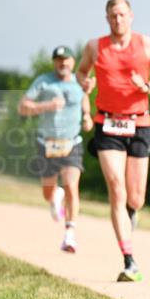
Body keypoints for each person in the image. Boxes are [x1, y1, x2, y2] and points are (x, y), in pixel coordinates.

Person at [77, 0, 150, 281]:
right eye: (112, 16)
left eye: (122, 15)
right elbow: (82, 72)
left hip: (139, 123)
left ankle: (132, 211)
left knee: (136, 196)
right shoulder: (95, 46)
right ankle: (129, 261)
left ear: (131, 16)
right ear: (107, 19)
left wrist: (147, 86)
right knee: (116, 187)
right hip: (107, 123)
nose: (117, 20)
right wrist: (85, 82)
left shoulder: (147, 44)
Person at [18, 46, 93, 252]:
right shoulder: (43, 81)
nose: (62, 63)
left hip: (72, 143)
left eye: (66, 60)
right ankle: (54, 197)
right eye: (58, 60)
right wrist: (47, 106)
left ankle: (69, 235)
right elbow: (23, 106)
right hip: (47, 143)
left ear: (73, 61)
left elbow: (84, 98)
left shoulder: (79, 82)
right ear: (54, 63)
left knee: (71, 185)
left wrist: (87, 116)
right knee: (47, 192)